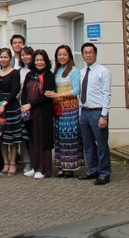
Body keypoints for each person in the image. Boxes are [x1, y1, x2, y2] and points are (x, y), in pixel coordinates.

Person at [45, 44, 83, 177]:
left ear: (69, 56)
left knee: (70, 138)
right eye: (59, 55)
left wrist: (57, 96)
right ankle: (61, 165)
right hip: (59, 109)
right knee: (59, 138)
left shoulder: (73, 71)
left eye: (64, 54)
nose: (62, 57)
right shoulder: (56, 71)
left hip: (70, 109)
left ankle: (70, 167)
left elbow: (76, 91)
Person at [77, 42, 112, 185]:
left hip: (97, 112)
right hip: (84, 112)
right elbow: (80, 95)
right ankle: (93, 170)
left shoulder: (103, 72)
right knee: (88, 144)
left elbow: (106, 94)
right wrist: (80, 113)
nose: (88, 55)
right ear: (82, 55)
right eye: (85, 52)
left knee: (101, 144)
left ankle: (104, 173)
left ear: (95, 54)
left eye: (90, 52)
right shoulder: (81, 72)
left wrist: (104, 115)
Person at [20, 49, 56, 179]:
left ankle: (43, 168)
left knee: (42, 139)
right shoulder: (30, 75)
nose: (39, 62)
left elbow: (46, 96)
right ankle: (35, 166)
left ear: (46, 61)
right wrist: (24, 105)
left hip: (43, 111)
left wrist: (31, 105)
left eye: (41, 60)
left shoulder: (49, 76)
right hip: (30, 112)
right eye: (37, 60)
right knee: (32, 140)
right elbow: (24, 92)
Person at [0, 48, 27, 175]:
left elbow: (15, 91)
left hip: (11, 107)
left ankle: (13, 163)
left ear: (10, 59)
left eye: (5, 57)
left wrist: (4, 103)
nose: (3, 59)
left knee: (13, 138)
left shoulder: (15, 72)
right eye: (1, 57)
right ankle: (6, 163)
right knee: (2, 137)